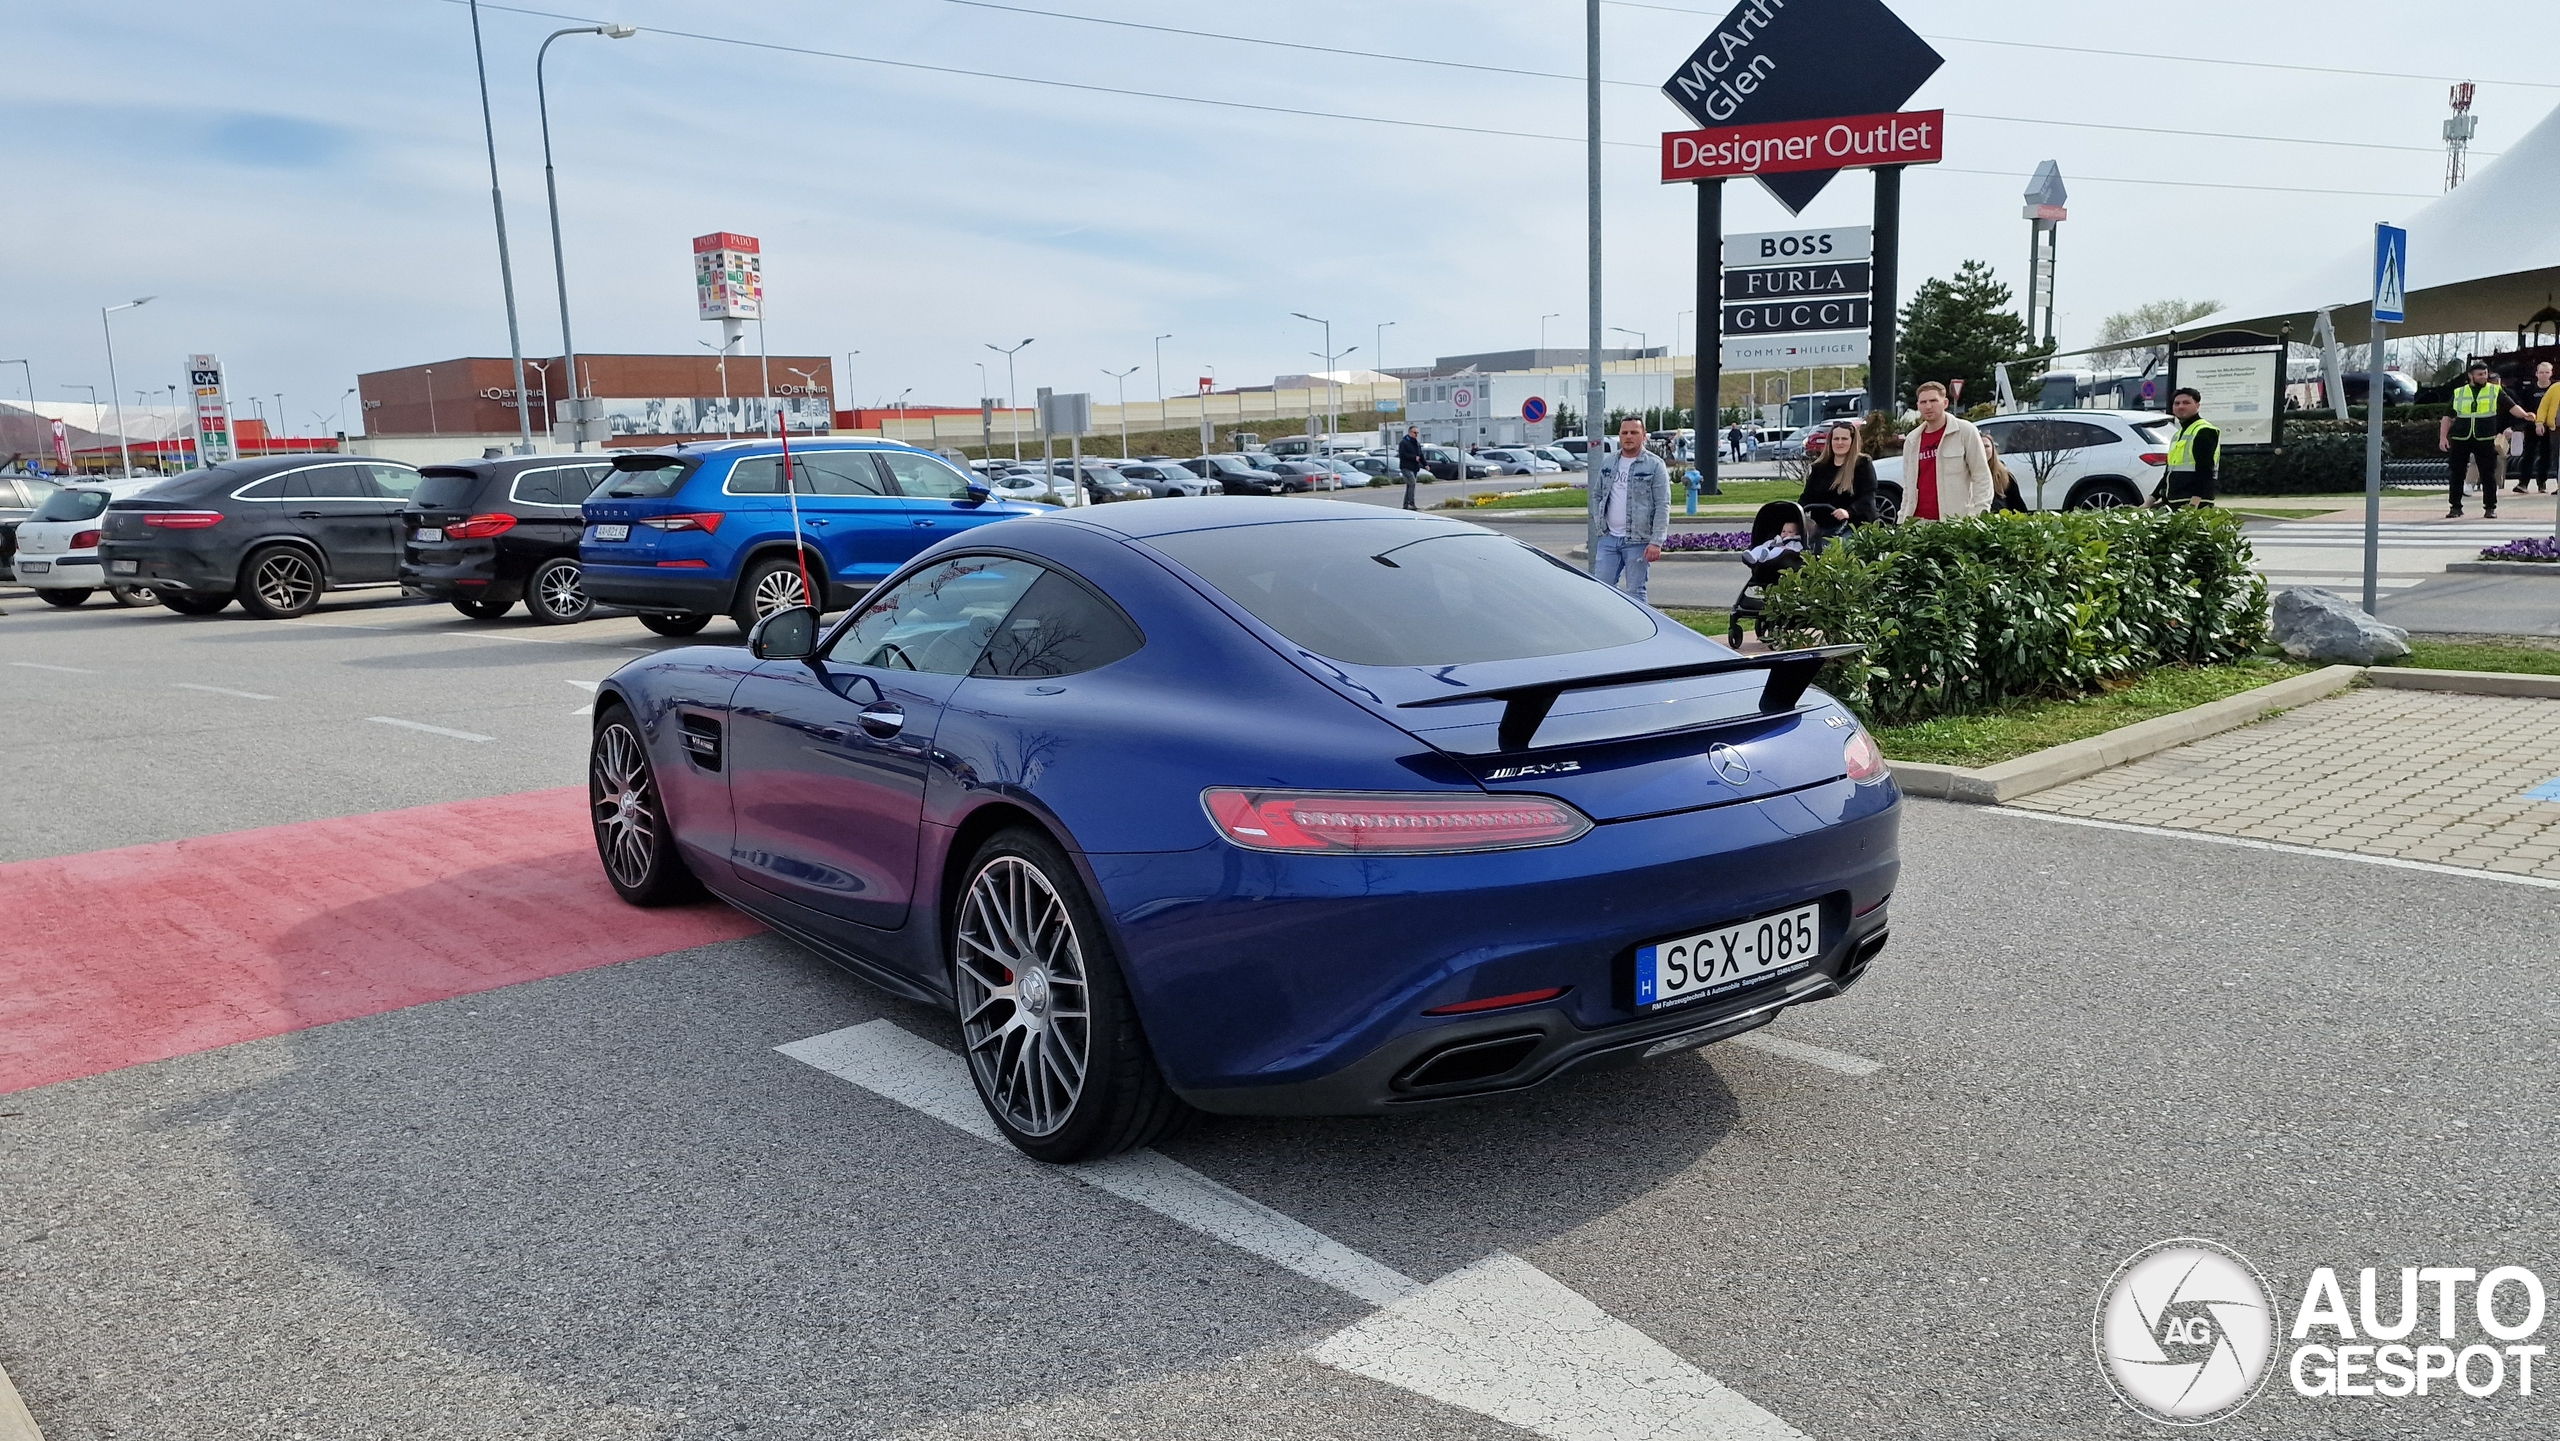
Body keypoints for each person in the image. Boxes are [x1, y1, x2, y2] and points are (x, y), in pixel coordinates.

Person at [1587, 415, 1671, 601]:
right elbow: (1597, 495)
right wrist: (1598, 522)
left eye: (1634, 432)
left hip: (1638, 541)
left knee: (1635, 592)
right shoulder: (1609, 462)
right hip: (1609, 539)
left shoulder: (1655, 465)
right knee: (1601, 590)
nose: (1628, 436)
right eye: (1624, 432)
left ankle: (1640, 629)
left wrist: (1656, 541)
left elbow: (1662, 504)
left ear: (1644, 435)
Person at [1896, 381, 1993, 520]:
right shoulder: (1912, 439)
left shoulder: (1965, 431)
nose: (1928, 406)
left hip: (1955, 521)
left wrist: (1981, 514)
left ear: (1945, 403)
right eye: (1923, 402)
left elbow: (1981, 475)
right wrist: (1902, 519)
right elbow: (1908, 487)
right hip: (1917, 522)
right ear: (1918, 406)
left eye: (1933, 400)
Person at [2440, 358, 2503, 518]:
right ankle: (2455, 507)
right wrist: (2443, 437)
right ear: (2471, 376)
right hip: (2461, 437)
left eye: (2485, 374)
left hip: (2484, 437)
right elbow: (2447, 416)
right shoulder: (2459, 392)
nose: (2484, 377)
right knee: (2457, 473)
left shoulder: (2494, 390)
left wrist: (2526, 416)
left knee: (2488, 473)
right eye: (2480, 374)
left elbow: (2512, 406)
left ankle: (2490, 507)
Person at [1798, 421, 1877, 537]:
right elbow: (1807, 497)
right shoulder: (1819, 467)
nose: (1840, 442)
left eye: (1844, 439)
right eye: (1836, 439)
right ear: (1830, 441)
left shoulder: (1862, 465)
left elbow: (1868, 497)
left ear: (1852, 441)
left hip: (1851, 526)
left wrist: (1849, 512)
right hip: (1821, 526)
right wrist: (1796, 512)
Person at [2151, 387, 2219, 507]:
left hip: (2194, 503)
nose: (2180, 406)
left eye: (2186, 403)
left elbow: (2205, 470)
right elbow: (2169, 473)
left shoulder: (2204, 431)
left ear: (2197, 405)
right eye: (2177, 403)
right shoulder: (2178, 435)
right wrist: (2150, 500)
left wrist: (2194, 504)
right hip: (2175, 501)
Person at [2509, 360, 2552, 496]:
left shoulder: (2555, 389)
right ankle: (2523, 483)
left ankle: (2542, 483)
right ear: (2536, 374)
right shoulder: (2529, 390)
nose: (2544, 375)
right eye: (2541, 372)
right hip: (2531, 426)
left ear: (2551, 373)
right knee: (2528, 454)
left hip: (2550, 427)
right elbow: (2522, 408)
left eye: (2546, 372)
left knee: (2546, 455)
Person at [1983, 434, 2029, 512]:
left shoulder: (2004, 476)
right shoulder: (1964, 475)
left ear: (1993, 450)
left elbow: (2018, 508)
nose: (1983, 449)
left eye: (1986, 446)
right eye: (1979, 446)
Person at [1396, 424, 1425, 510]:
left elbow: (1420, 454)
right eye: (1414, 432)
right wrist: (1413, 457)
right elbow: (1402, 454)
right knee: (1412, 482)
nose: (1416, 434)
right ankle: (1411, 503)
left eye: (1417, 433)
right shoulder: (1403, 443)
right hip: (1406, 467)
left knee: (1410, 485)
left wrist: (1425, 464)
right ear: (1410, 432)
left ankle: (1406, 505)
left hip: (1414, 467)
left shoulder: (1416, 443)